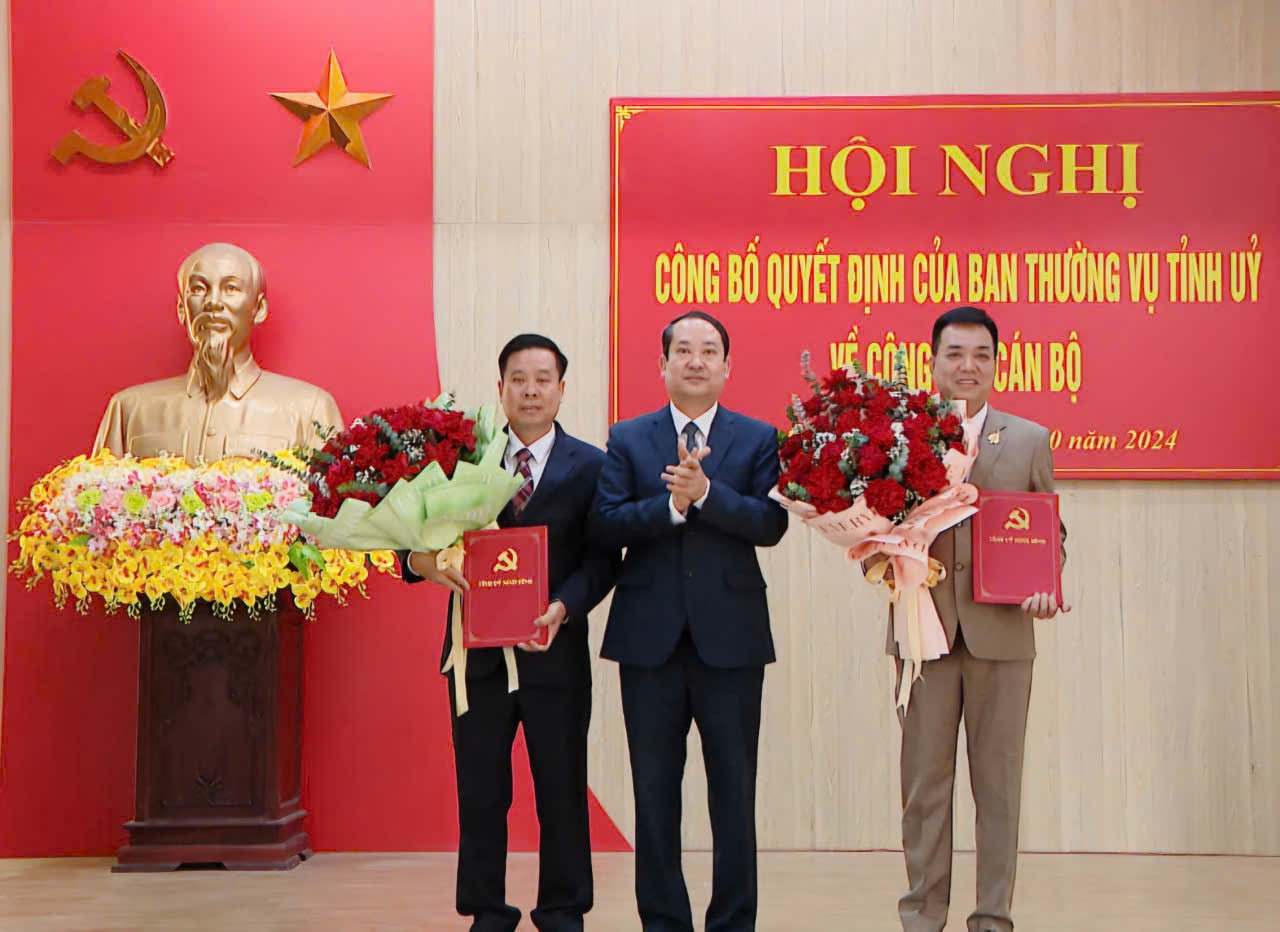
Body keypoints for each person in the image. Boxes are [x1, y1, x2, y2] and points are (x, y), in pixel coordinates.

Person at [403, 333, 618, 932]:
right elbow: (407, 552)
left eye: (542, 379)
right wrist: (433, 564)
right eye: (517, 379)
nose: (529, 390)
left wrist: (563, 607)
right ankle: (487, 911)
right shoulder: (461, 465)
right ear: (499, 390)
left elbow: (604, 560)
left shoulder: (592, 466)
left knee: (561, 789)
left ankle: (563, 909)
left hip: (555, 654)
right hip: (476, 661)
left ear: (561, 390)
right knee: (481, 793)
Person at [590, 310, 788, 932]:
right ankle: (664, 922)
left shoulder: (759, 439)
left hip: (731, 641)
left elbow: (771, 524)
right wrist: (669, 508)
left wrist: (705, 496)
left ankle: (733, 922)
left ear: (727, 367)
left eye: (709, 351)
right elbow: (605, 524)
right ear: (663, 365)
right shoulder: (627, 438)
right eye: (683, 350)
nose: (696, 361)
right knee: (654, 796)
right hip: (648, 641)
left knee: (734, 796)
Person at [888, 306, 1070, 932]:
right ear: (933, 360)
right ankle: (921, 915)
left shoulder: (1027, 439)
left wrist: (1046, 584)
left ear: (996, 363)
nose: (968, 366)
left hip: (1003, 637)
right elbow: (879, 531)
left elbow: (1050, 534)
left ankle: (992, 917)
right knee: (923, 789)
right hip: (924, 635)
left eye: (981, 355)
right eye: (955, 354)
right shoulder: (899, 438)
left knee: (998, 788)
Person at [92, 242, 342, 460]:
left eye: (231, 288)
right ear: (182, 309)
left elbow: (333, 511)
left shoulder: (310, 409)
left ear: (259, 308)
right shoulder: (129, 409)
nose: (213, 302)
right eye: (198, 289)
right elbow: (94, 505)